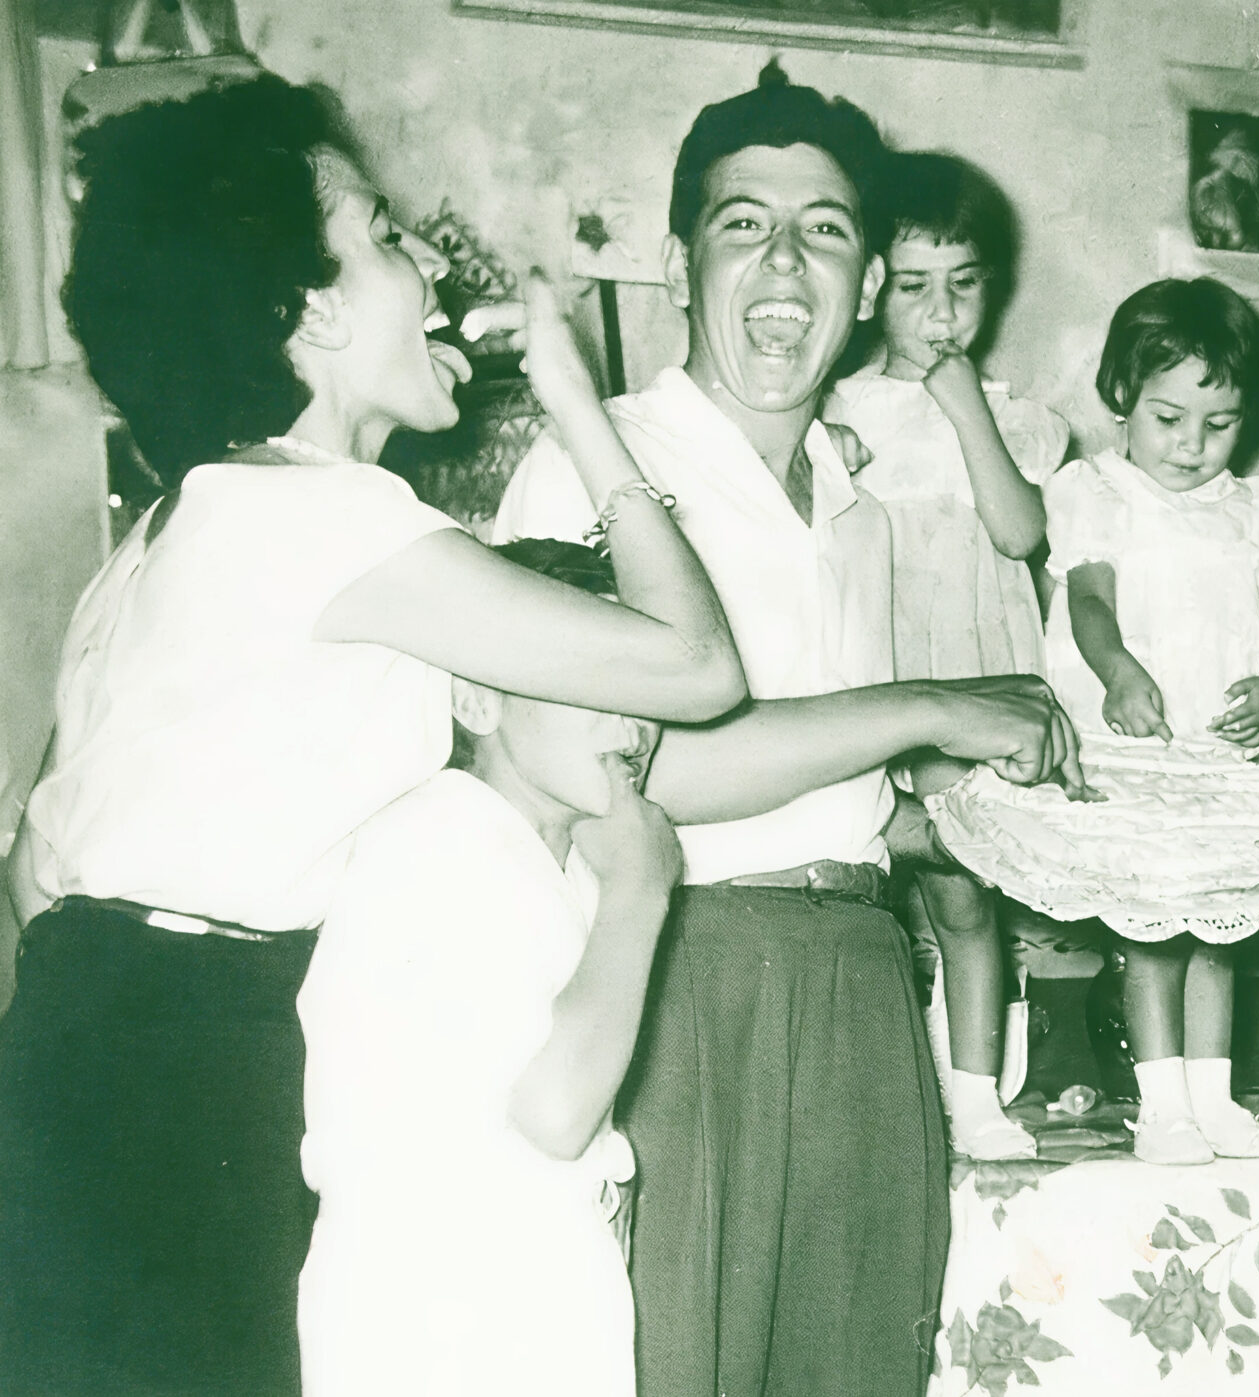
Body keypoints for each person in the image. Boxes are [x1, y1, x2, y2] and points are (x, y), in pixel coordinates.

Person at [0, 74, 1070, 1397]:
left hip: (102, 1031)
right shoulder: (325, 520)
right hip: (199, 1051)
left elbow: (35, 863)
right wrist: (579, 401)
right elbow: (691, 667)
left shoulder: (185, 522)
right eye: (386, 237)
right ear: (312, 309)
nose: (430, 266)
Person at [492, 63, 1083, 1397]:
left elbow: (838, 798)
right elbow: (634, 778)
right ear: (677, 264)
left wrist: (991, 825)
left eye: (823, 230)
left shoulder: (854, 502)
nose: (782, 262)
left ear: (867, 285)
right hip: (678, 982)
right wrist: (932, 705)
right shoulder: (597, 464)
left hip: (866, 978)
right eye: (742, 223)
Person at [298, 539, 676, 1397]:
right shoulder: (438, 837)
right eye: (593, 681)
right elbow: (555, 1111)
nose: (633, 725)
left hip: (521, 1311)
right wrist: (643, 887)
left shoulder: (560, 863)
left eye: (645, 689)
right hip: (441, 1326)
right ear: (474, 698)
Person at [825, 150, 1068, 1160]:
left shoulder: (1016, 418)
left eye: (963, 285)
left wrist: (964, 405)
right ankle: (879, 1094)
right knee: (860, 881)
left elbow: (1020, 533)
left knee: (964, 889)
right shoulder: (834, 408)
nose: (941, 313)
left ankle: (974, 1097)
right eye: (915, 286)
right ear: (872, 287)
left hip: (975, 679)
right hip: (869, 678)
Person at [1042, 276, 1259, 1164]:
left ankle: (1213, 1099)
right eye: (1169, 418)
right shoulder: (1098, 491)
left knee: (1221, 928)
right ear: (1124, 395)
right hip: (1140, 740)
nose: (1193, 444)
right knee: (1153, 931)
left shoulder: (1253, 508)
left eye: (1218, 423)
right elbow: (1088, 600)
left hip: (1218, 751)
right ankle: (1163, 1107)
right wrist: (1117, 671)